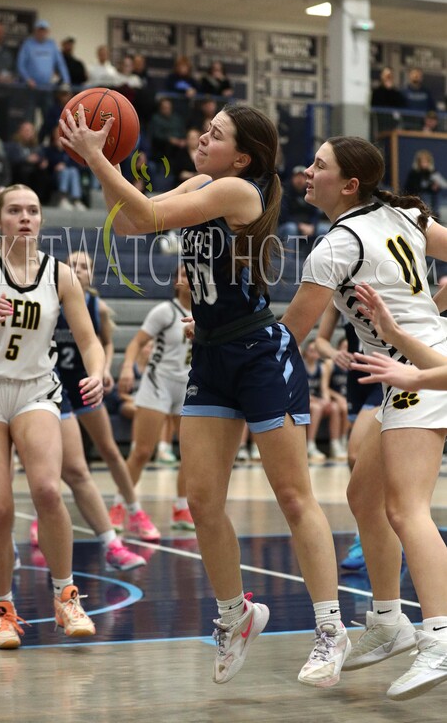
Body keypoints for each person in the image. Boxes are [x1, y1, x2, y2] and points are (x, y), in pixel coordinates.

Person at [60, 100, 350, 688]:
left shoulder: (239, 192)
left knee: (294, 497)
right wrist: (103, 162)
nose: (201, 137)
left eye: (215, 134)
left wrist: (98, 156)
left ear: (241, 156)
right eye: (205, 129)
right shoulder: (200, 183)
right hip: (212, 352)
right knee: (200, 499)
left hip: (261, 354)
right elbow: (134, 219)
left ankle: (330, 629)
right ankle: (235, 615)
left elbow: (142, 209)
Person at [280, 135, 447, 701]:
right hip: (408, 364)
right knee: (363, 497)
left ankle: (440, 637)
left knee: (407, 508)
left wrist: (221, 344)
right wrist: (432, 307)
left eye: (319, 165)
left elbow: (290, 334)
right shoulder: (398, 213)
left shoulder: (336, 245)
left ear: (348, 185)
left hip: (418, 371)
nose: (308, 169)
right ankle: (388, 619)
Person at [0, 184, 103, 649]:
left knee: (47, 491)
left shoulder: (60, 276)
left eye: (33, 210)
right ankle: (2, 611)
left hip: (36, 389)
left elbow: (90, 339)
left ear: (41, 220)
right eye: (15, 210)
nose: (25, 217)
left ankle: (66, 597)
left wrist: (97, 371)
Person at [53, 251, 161, 543]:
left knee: (110, 450)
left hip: (84, 383)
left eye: (84, 266)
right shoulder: (48, 300)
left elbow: (106, 343)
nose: (77, 270)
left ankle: (135, 510)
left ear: (92, 275)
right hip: (50, 386)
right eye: (72, 264)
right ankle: (45, 518)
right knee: (52, 460)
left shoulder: (95, 307)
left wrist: (103, 370)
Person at [114, 267, 195, 532]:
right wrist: (127, 367)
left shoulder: (208, 312)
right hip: (158, 382)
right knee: (142, 451)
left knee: (190, 453)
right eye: (182, 273)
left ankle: (182, 508)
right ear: (175, 282)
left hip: (188, 386)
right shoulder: (165, 311)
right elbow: (136, 343)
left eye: (191, 273)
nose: (187, 277)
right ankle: (118, 506)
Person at [315, 303, 383, 572]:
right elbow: (320, 340)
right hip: (357, 380)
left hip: (384, 372)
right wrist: (334, 353)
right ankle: (377, 532)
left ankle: (365, 537)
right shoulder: (336, 295)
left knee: (355, 453)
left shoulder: (378, 278)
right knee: (360, 465)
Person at [301, 340, 346, 462]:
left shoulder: (321, 367)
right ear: (305, 352)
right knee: (316, 408)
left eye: (316, 351)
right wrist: (316, 400)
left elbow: (324, 388)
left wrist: (326, 400)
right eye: (311, 350)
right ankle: (309, 445)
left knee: (335, 407)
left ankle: (335, 444)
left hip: (316, 401)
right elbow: (300, 391)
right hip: (303, 401)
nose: (314, 353)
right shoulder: (300, 366)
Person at [16, 20, 70, 121]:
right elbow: (20, 65)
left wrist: (66, 81)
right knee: (29, 118)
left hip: (47, 88)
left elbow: (61, 64)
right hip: (31, 89)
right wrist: (27, 79)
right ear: (35, 31)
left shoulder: (52, 45)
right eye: (39, 30)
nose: (41, 33)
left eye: (44, 30)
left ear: (47, 32)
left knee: (49, 118)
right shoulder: (28, 44)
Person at [403, 149, 447, 220]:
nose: (424, 164)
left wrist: (436, 187)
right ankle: (426, 214)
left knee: (436, 195)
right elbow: (415, 188)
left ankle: (435, 215)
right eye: (422, 162)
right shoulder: (414, 173)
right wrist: (429, 187)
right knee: (424, 196)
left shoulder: (432, 172)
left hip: (429, 194)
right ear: (418, 162)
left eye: (426, 162)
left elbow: (439, 185)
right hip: (416, 194)